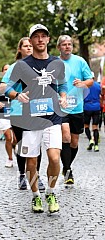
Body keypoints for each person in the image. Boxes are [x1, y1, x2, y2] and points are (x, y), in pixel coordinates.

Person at [0, 24, 67, 213]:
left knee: (54, 156)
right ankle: (35, 197)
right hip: (30, 119)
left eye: (44, 36)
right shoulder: (22, 65)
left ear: (49, 40)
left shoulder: (57, 63)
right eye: (36, 37)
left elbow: (63, 84)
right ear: (31, 40)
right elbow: (4, 87)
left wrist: (64, 96)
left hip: (52, 117)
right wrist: (16, 95)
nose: (40, 40)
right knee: (32, 161)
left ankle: (51, 192)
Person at [2, 37, 45, 191]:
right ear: (19, 49)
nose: (29, 48)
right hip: (19, 111)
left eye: (30, 46)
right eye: (25, 46)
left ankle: (36, 176)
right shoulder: (15, 67)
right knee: (23, 145)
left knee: (36, 145)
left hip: (38, 110)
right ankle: (22, 175)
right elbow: (4, 87)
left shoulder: (40, 66)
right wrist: (16, 94)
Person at [57, 35, 93, 186]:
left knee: (74, 141)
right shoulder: (54, 62)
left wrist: (82, 83)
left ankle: (66, 167)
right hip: (60, 107)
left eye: (69, 44)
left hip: (77, 107)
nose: (67, 47)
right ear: (59, 47)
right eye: (64, 44)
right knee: (65, 137)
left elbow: (90, 81)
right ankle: (68, 170)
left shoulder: (80, 61)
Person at [84, 72, 101, 152]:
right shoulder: (98, 85)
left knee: (86, 125)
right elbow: (101, 95)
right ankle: (96, 145)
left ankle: (90, 140)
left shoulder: (85, 86)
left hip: (87, 107)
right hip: (96, 107)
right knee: (95, 127)